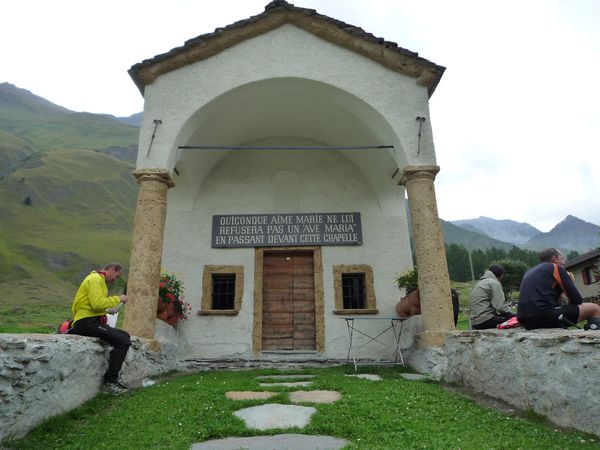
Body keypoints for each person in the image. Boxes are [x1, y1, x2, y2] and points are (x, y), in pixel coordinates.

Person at [70, 262, 131, 394]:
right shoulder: (95, 279)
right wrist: (118, 299)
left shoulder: (99, 280)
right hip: (86, 322)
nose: (116, 279)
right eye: (117, 275)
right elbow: (97, 304)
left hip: (90, 320)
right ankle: (110, 383)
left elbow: (97, 305)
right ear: (112, 270)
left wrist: (109, 308)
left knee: (125, 336)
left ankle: (112, 377)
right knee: (123, 341)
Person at [517, 248, 600, 330]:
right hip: (543, 317)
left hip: (524, 321)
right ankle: (595, 339)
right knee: (594, 308)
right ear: (554, 259)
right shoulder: (555, 267)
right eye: (562, 258)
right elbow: (576, 300)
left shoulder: (529, 271)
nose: (564, 263)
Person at [469, 265, 515, 329]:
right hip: (485, 320)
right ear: (501, 275)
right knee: (516, 320)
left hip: (474, 321)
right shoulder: (494, 283)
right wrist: (512, 313)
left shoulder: (480, 282)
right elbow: (500, 307)